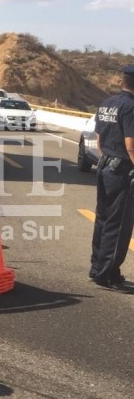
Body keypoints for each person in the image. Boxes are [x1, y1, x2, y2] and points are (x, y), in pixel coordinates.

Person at [89, 64, 134, 293]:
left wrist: (106, 158)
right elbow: (131, 146)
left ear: (121, 81)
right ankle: (108, 275)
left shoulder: (107, 103)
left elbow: (98, 139)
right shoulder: (131, 107)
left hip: (105, 164)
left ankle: (97, 267)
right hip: (122, 171)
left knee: (103, 220)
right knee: (118, 226)